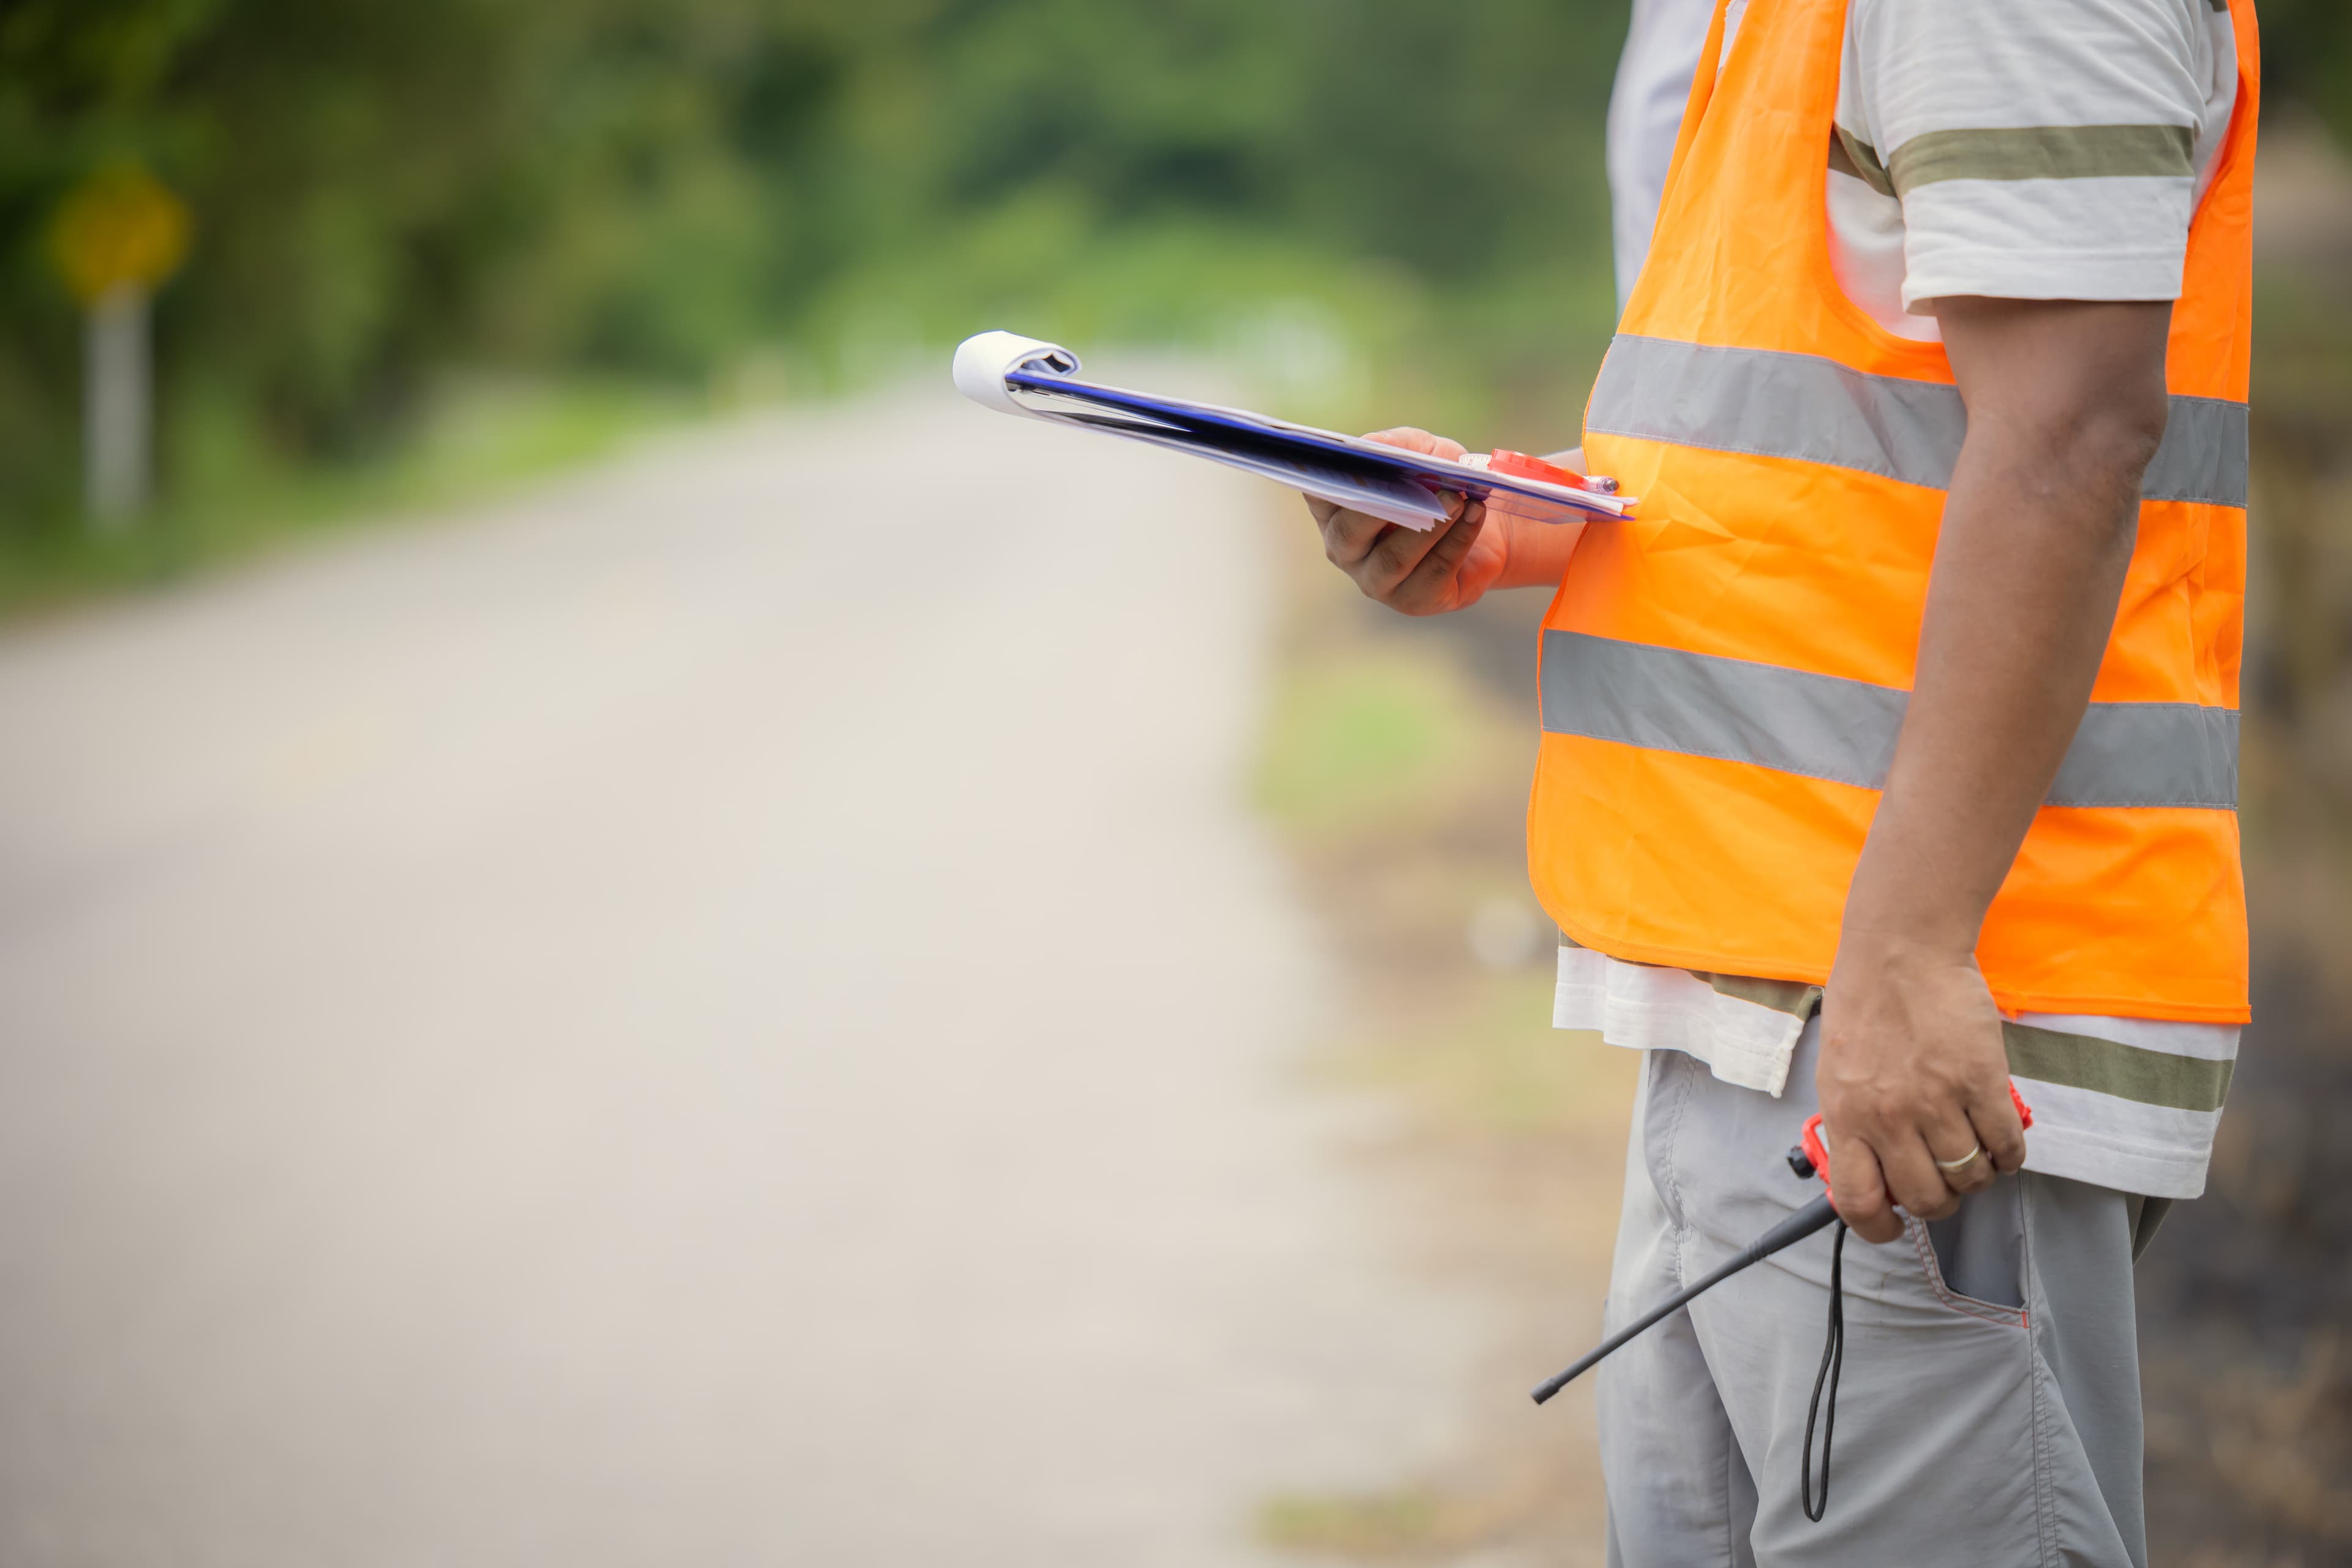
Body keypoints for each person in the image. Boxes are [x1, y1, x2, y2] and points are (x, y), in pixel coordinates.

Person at [1304, 1, 2257, 1561]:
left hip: (1910, 1034)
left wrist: (1906, 952)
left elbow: (2074, 435)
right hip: (1763, 1016)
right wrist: (1515, 518)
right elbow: (1815, 449)